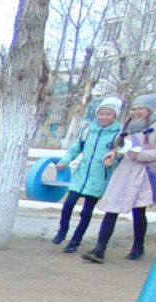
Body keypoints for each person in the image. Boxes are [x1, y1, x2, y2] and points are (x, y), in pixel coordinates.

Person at [83, 93, 155, 263]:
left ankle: (138, 246)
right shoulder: (128, 126)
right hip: (124, 172)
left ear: (150, 110)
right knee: (112, 207)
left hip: (142, 174)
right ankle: (99, 249)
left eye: (140, 108)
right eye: (133, 108)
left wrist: (141, 154)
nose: (135, 112)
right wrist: (113, 154)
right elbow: (122, 147)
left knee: (139, 211)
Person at [52, 97, 123, 253]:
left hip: (99, 177)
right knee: (68, 204)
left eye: (108, 114)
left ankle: (76, 240)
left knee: (86, 211)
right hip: (81, 175)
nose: (104, 117)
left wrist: (113, 159)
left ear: (115, 116)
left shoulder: (119, 133)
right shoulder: (87, 130)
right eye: (101, 114)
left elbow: (121, 154)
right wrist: (65, 161)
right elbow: (75, 149)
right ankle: (62, 231)